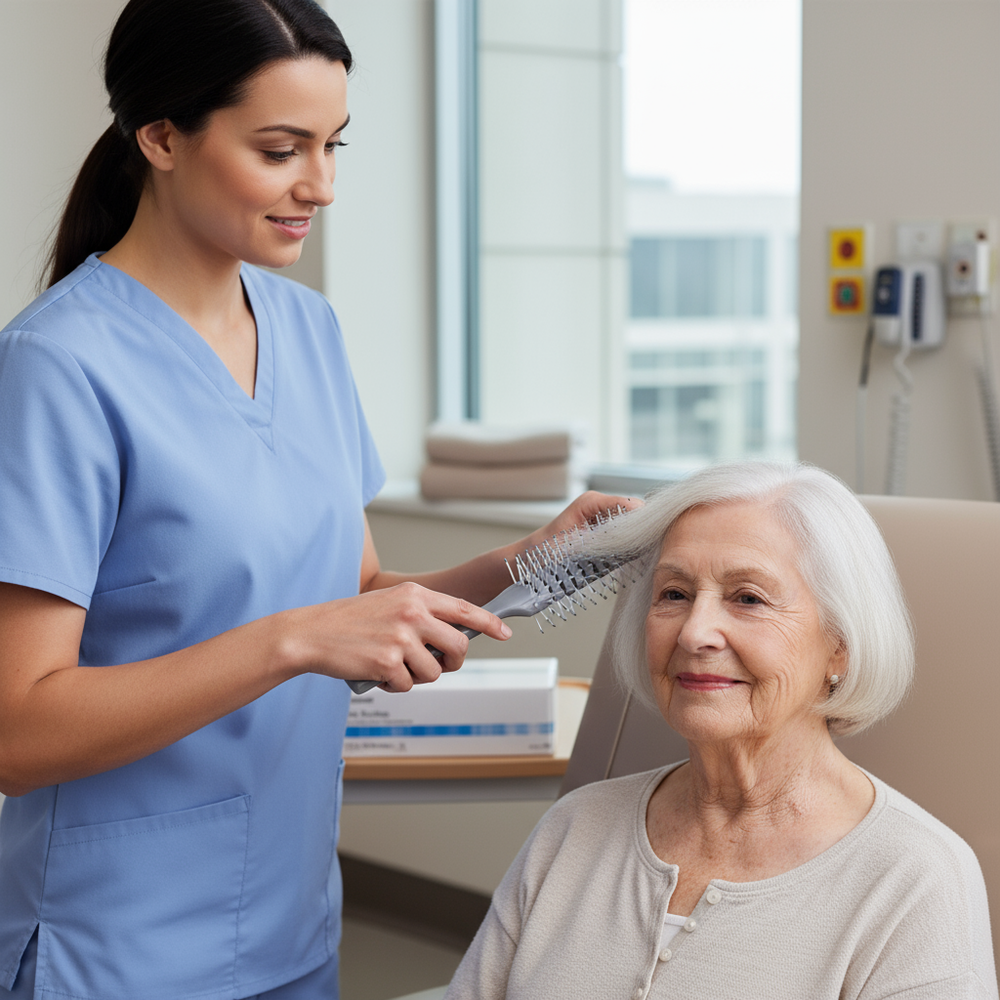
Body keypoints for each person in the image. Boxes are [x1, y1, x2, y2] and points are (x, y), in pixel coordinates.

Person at [0, 2, 634, 998]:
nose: (321, 186)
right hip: (114, 941)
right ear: (161, 136)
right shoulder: (55, 368)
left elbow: (361, 588)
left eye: (333, 146)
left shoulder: (307, 330)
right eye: (280, 149)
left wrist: (536, 558)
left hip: (289, 926)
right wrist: (288, 641)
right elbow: (18, 732)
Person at [446, 461, 999, 1000]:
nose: (694, 632)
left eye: (748, 598)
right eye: (675, 594)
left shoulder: (915, 880)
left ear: (841, 645)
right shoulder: (573, 829)